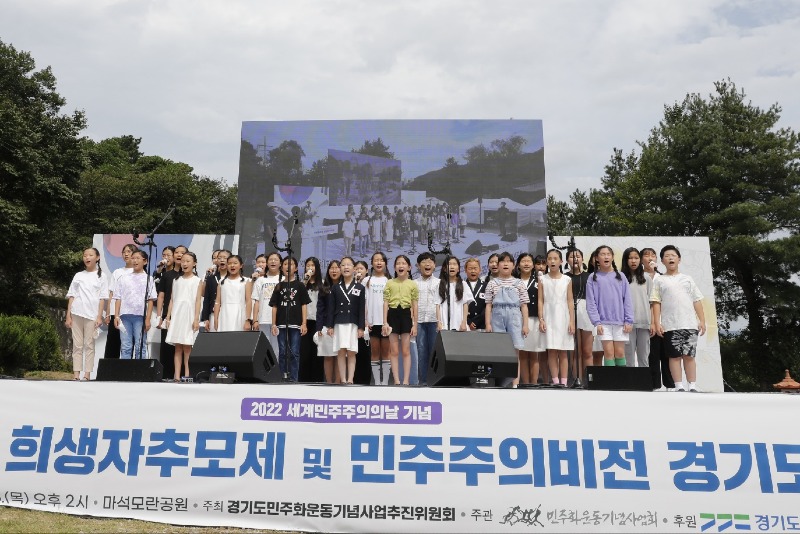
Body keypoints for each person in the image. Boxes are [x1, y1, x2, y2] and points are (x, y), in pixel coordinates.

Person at [650, 245, 706, 392]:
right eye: (667, 256)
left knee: (689, 356)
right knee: (674, 356)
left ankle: (692, 385)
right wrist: (657, 322)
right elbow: (656, 302)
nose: (670, 258)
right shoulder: (659, 280)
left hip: (689, 324)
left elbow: (697, 300)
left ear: (679, 259)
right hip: (670, 325)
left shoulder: (687, 279)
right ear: (662, 261)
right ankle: (678, 386)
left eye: (673, 255)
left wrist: (702, 321)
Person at [484, 252, 529, 387]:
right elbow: (488, 305)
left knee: (515, 352)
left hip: (514, 316)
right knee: (499, 351)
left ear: (513, 265)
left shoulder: (519, 283)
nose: (505, 264)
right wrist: (488, 323)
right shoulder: (492, 283)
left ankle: (515, 384)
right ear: (498, 265)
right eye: (502, 261)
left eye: (509, 261)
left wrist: (525, 325)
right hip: (497, 317)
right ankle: (499, 383)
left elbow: (524, 306)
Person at [586, 246, 634, 367]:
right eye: (602, 254)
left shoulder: (621, 276)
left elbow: (627, 300)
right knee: (608, 353)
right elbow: (591, 303)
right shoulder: (592, 278)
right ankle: (611, 379)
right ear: (597, 258)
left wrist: (628, 320)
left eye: (608, 254)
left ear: (612, 257)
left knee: (620, 353)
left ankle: (620, 378)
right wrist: (596, 322)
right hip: (603, 323)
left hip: (620, 322)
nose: (606, 257)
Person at [66, 247, 109, 380]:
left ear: (97, 258)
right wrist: (68, 315)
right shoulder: (78, 275)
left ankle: (87, 374)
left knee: (89, 345)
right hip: (77, 312)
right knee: (77, 345)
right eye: (85, 255)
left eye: (90, 255)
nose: (87, 258)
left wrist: (99, 316)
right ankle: (76, 374)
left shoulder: (101, 276)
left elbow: (102, 298)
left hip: (91, 315)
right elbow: (72, 295)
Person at [269, 256, 311, 382]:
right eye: (285, 264)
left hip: (296, 324)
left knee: (294, 352)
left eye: (291, 264)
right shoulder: (279, 286)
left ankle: (294, 378)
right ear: (282, 267)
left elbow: (304, 304)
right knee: (282, 352)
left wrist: (304, 323)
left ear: (296, 268)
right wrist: (273, 324)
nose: (288, 266)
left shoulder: (300, 285)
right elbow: (274, 306)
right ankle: (282, 377)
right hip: (281, 324)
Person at [164, 251, 204, 381]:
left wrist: (196, 319)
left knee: (187, 346)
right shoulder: (176, 280)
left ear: (194, 263)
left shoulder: (197, 281)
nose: (184, 264)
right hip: (177, 314)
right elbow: (172, 299)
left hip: (189, 314)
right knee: (178, 347)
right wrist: (168, 317)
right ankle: (176, 376)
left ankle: (187, 375)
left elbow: (198, 301)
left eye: (188, 261)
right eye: (183, 261)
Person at [538, 249, 575, 386]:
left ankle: (564, 382)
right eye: (549, 258)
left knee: (563, 351)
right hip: (548, 315)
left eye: (555, 258)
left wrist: (572, 321)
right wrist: (541, 319)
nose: (552, 261)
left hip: (563, 316)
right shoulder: (542, 279)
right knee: (552, 350)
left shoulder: (567, 279)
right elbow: (540, 300)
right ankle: (555, 381)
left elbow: (570, 300)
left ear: (561, 261)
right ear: (546, 262)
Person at [325, 257, 365, 385]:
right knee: (341, 351)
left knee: (352, 352)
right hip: (339, 322)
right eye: (343, 265)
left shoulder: (360, 287)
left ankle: (350, 379)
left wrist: (361, 327)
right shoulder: (336, 287)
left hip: (353, 323)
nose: (346, 267)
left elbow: (361, 309)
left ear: (354, 269)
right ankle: (342, 379)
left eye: (349, 265)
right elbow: (331, 308)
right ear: (340, 268)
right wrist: (330, 326)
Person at [113, 250, 156, 360]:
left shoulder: (149, 279)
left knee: (140, 345)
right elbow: (118, 298)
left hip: (140, 317)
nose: (135, 261)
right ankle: (126, 368)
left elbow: (150, 300)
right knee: (126, 346)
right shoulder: (123, 278)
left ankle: (140, 369)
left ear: (145, 261)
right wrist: (116, 316)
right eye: (133, 258)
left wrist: (148, 319)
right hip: (124, 316)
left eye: (137, 258)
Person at [382, 255, 418, 385]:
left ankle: (406, 380)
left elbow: (415, 305)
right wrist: (385, 322)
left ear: (409, 267)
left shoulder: (412, 284)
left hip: (406, 315)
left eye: (403, 263)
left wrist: (415, 324)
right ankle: (397, 380)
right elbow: (385, 303)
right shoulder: (390, 282)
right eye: (398, 263)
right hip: (392, 315)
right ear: (394, 267)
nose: (401, 266)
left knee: (406, 350)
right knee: (394, 351)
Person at [642, 246, 674, 390]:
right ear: (642, 260)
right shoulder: (639, 277)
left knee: (667, 354)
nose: (650, 258)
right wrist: (652, 322)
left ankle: (671, 384)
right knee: (652, 355)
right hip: (648, 321)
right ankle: (653, 384)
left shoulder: (663, 277)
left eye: (653, 255)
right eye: (646, 255)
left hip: (665, 320)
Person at [516, 253, 546, 386]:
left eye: (529, 261)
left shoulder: (539, 281)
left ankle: (533, 384)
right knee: (522, 354)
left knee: (534, 354)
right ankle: (525, 383)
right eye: (523, 261)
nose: (526, 264)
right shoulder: (514, 281)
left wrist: (541, 319)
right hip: (518, 320)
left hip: (534, 319)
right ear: (518, 265)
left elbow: (542, 301)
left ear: (533, 265)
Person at [104, 243, 137, 359]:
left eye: (129, 252)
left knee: (128, 344)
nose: (126, 254)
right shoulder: (117, 272)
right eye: (124, 252)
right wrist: (108, 313)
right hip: (115, 313)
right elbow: (111, 293)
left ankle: (126, 367)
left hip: (130, 313)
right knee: (113, 342)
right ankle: (109, 367)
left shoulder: (138, 273)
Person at [566, 248, 594, 383]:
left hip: (587, 312)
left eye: (578, 256)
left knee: (587, 351)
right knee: (575, 351)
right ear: (567, 260)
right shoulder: (565, 277)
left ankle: (588, 381)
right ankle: (577, 381)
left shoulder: (590, 277)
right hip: (570, 312)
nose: (575, 259)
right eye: (572, 257)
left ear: (582, 259)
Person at [621, 247, 652, 368]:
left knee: (644, 358)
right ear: (625, 260)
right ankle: (629, 380)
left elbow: (651, 302)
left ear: (640, 260)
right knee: (628, 358)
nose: (633, 261)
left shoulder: (646, 278)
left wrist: (652, 323)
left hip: (644, 323)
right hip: (627, 324)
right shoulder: (621, 278)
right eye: (630, 258)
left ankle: (644, 380)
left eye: (636, 258)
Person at [365, 252, 392, 385]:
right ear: (372, 263)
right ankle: (377, 382)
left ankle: (385, 382)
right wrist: (365, 320)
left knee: (386, 352)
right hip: (371, 322)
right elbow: (364, 302)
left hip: (386, 322)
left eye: (381, 260)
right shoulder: (366, 281)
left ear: (385, 263)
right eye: (376, 260)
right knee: (375, 351)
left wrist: (388, 322)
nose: (379, 263)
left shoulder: (390, 281)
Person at [415, 252, 439, 386]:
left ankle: (435, 380)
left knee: (435, 352)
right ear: (418, 266)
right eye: (424, 261)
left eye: (430, 261)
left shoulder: (439, 283)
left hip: (435, 321)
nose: (427, 264)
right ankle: (423, 381)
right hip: (419, 321)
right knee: (421, 351)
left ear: (434, 265)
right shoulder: (414, 283)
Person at [251, 252, 282, 356]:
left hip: (279, 320)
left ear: (280, 263)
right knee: (264, 348)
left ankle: (277, 367)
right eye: (270, 260)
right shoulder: (260, 280)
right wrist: (255, 320)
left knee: (277, 348)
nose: (273, 262)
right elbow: (257, 301)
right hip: (263, 319)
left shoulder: (283, 279)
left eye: (276, 260)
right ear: (267, 263)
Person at [154, 246, 179, 378]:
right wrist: (159, 316)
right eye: (164, 255)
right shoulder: (164, 274)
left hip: (181, 313)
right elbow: (159, 295)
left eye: (169, 255)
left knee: (179, 346)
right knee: (166, 345)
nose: (166, 257)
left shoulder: (184, 275)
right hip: (165, 314)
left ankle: (179, 374)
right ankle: (165, 374)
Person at [317, 260, 341, 383]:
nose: (334, 270)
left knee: (339, 356)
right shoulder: (324, 288)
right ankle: (329, 383)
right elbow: (320, 309)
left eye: (337, 268)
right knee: (328, 355)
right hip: (326, 325)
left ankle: (338, 383)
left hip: (341, 325)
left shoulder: (344, 287)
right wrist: (319, 327)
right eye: (332, 268)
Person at [300, 257, 323, 382]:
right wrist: (305, 280)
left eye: (312, 265)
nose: (310, 268)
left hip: (318, 322)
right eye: (308, 265)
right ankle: (303, 380)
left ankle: (317, 379)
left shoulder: (322, 283)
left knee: (317, 352)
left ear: (317, 268)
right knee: (305, 351)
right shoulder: (302, 283)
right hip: (304, 321)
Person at [214, 254, 251, 332]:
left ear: (241, 265)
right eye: (229, 263)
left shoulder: (246, 281)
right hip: (224, 314)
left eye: (235, 263)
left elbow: (248, 301)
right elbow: (217, 302)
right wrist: (216, 319)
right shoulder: (222, 282)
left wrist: (248, 320)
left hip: (239, 314)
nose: (232, 265)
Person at [438, 256, 473, 332]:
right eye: (449, 264)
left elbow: (465, 304)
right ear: (444, 269)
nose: (452, 266)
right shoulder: (439, 284)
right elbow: (437, 304)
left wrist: (464, 322)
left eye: (454, 264)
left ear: (458, 269)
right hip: (444, 321)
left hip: (459, 321)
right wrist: (439, 322)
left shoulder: (463, 284)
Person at [200, 249, 230, 332]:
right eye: (219, 258)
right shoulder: (211, 278)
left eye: (224, 258)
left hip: (229, 313)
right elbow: (206, 298)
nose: (221, 260)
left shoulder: (233, 278)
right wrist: (205, 318)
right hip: (213, 313)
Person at [464, 257, 488, 331]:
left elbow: (487, 306)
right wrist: (468, 321)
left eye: (475, 268)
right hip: (466, 324)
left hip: (481, 324)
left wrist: (476, 321)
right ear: (465, 270)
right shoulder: (462, 285)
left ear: (480, 270)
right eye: (470, 268)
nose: (473, 271)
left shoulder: (486, 285)